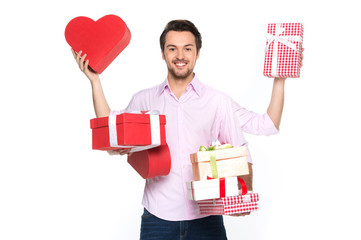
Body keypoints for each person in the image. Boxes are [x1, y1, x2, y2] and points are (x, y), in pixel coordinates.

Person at [72, 19, 303, 240]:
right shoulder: (144, 100)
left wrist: (280, 78)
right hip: (157, 218)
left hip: (206, 218)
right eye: (172, 49)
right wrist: (95, 81)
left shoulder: (217, 101)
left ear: (197, 53)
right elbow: (112, 134)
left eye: (187, 49)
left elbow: (267, 125)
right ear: (163, 53)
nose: (180, 56)